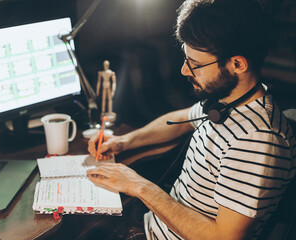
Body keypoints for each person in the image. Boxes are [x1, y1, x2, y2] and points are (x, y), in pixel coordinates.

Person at [86, 0, 296, 239]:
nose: (185, 71)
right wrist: (125, 141)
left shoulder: (257, 141)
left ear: (237, 64)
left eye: (195, 64)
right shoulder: (226, 103)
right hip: (150, 225)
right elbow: (183, 119)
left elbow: (223, 237)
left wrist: (140, 186)